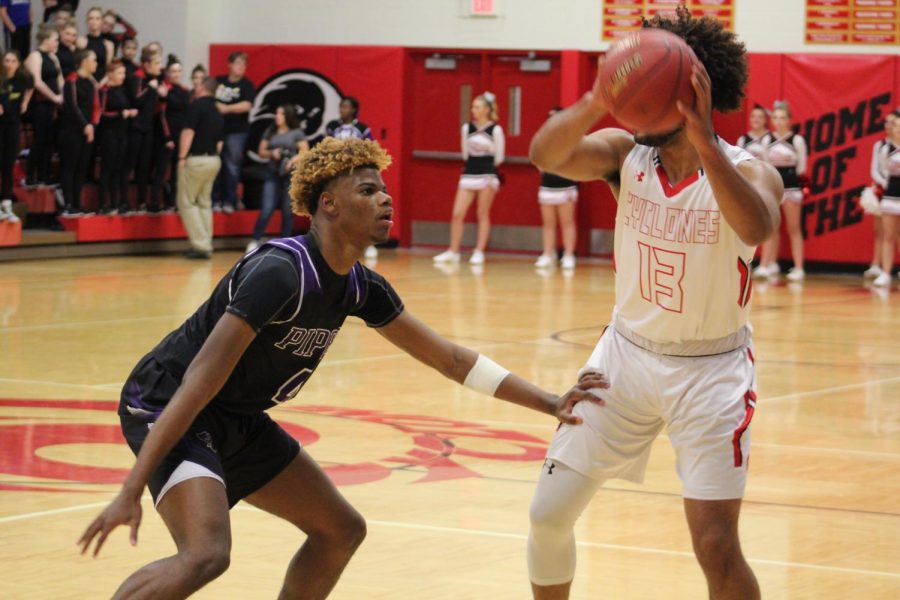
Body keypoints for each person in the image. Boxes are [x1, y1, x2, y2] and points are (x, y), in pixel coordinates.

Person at [77, 135, 602, 600]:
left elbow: (451, 358)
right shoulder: (279, 272)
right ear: (327, 204)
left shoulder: (358, 286)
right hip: (171, 402)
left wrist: (550, 401)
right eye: (369, 190)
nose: (386, 198)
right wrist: (130, 490)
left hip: (233, 413)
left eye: (384, 190)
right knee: (206, 555)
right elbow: (200, 380)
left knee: (340, 529)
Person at [526, 7, 782, 600]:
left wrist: (703, 141)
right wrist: (597, 98)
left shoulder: (750, 170)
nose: (632, 106)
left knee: (716, 546)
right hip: (623, 359)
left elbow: (758, 225)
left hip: (711, 372)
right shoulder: (624, 154)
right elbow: (545, 155)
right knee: (547, 515)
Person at [433, 92, 505, 265]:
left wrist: (487, 152)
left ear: (487, 109)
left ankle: (479, 251)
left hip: (487, 173)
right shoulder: (467, 128)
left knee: (482, 213)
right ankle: (453, 251)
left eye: (478, 107)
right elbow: (465, 153)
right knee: (457, 213)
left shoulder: (495, 129)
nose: (474, 110)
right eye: (473, 107)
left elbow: (499, 157)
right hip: (469, 172)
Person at [755, 101, 808, 281]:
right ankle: (766, 264)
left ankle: (799, 267)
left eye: (782, 118)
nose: (778, 121)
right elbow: (763, 165)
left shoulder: (797, 140)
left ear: (789, 120)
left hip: (792, 187)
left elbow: (801, 167)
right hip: (772, 188)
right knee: (772, 227)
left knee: (794, 228)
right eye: (775, 117)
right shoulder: (767, 140)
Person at [247, 104, 308, 252]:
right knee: (267, 208)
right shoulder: (271, 131)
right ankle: (255, 239)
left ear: (288, 116)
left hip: (289, 176)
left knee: (288, 211)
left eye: (280, 113)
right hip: (272, 174)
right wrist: (272, 153)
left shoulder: (296, 133)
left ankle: (285, 242)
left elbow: (305, 152)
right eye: (277, 113)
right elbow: (261, 151)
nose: (277, 116)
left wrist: (292, 161)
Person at [324, 95, 378, 258]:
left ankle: (368, 243)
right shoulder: (332, 127)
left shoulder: (362, 129)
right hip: (338, 175)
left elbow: (371, 150)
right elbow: (326, 148)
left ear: (354, 109)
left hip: (357, 176)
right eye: (341, 106)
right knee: (338, 209)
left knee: (363, 209)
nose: (342, 110)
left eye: (346, 107)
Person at [175, 76, 223, 259]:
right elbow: (220, 142)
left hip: (196, 160)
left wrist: (182, 156)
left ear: (203, 87)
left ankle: (201, 245)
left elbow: (188, 132)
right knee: (204, 202)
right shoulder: (217, 109)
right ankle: (206, 242)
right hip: (213, 160)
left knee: (187, 202)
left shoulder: (196, 106)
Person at [535, 107, 579, 270]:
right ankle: (548, 253)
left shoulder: (571, 138)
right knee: (548, 223)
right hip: (547, 185)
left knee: (567, 222)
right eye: (549, 118)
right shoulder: (542, 139)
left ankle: (568, 254)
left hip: (566, 185)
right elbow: (538, 160)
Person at [212, 50, 255, 213]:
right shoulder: (219, 81)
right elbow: (209, 98)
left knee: (232, 166)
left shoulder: (247, 85)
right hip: (217, 131)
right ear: (229, 65)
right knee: (216, 165)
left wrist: (226, 108)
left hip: (237, 131)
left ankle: (230, 201)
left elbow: (246, 105)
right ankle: (215, 200)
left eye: (244, 64)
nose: (241, 67)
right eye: (238, 63)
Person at [58, 48, 98, 217]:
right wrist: (85, 125)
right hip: (72, 131)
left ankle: (77, 202)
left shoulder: (90, 83)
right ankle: (68, 204)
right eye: (93, 60)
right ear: (84, 62)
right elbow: (72, 106)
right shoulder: (72, 81)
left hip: (88, 131)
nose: (96, 63)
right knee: (70, 167)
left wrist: (93, 125)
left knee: (82, 168)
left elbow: (96, 107)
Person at [123, 46, 163, 213]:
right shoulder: (137, 78)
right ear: (146, 64)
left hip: (148, 128)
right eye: (156, 63)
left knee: (144, 167)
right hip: (135, 128)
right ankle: (123, 202)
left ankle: (141, 201)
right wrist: (151, 89)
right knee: (129, 165)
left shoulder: (153, 79)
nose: (159, 66)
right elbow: (136, 99)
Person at [24, 23, 63, 187]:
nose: (57, 43)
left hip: (52, 106)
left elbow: (60, 78)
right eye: (55, 40)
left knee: (49, 140)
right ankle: (31, 176)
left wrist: (62, 94)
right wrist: (54, 97)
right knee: (40, 140)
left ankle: (44, 174)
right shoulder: (35, 56)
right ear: (45, 40)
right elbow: (37, 82)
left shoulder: (53, 57)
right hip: (40, 104)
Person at [97, 59, 136, 214]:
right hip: (109, 134)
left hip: (122, 134)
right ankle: (102, 204)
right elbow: (101, 113)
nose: (123, 76)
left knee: (118, 170)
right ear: (110, 74)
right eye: (119, 73)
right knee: (107, 169)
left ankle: (116, 203)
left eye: (124, 73)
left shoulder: (123, 90)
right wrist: (122, 114)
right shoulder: (105, 91)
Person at [0, 49, 32, 222]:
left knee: (8, 164)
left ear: (18, 63)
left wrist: (26, 101)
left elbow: (32, 85)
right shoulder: (1, 79)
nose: (9, 64)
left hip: (13, 125)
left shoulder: (23, 78)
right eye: (7, 60)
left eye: (13, 61)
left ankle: (6, 204)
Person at [864, 111, 895, 280]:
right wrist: (884, 184)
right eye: (888, 122)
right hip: (885, 192)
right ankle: (879, 267)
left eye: (894, 123)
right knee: (882, 231)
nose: (891, 126)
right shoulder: (882, 146)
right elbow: (877, 169)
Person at [873, 110, 900, 288]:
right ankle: (885, 272)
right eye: (896, 126)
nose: (898, 129)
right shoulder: (885, 149)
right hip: (890, 195)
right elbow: (882, 171)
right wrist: (885, 183)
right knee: (888, 235)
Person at [163, 55, 191, 208]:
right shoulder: (165, 90)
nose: (176, 74)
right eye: (173, 71)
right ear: (168, 72)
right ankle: (163, 198)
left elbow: (188, 115)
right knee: (163, 168)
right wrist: (167, 137)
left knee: (178, 169)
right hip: (168, 135)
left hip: (182, 135)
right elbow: (162, 115)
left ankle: (176, 199)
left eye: (179, 71)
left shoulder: (185, 91)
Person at [77, 6, 113, 84]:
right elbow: (81, 66)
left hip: (102, 83)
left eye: (97, 18)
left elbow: (109, 69)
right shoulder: (81, 41)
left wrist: (101, 84)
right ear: (87, 21)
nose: (94, 21)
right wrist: (94, 83)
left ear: (102, 21)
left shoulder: (109, 44)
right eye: (91, 18)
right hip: (84, 82)